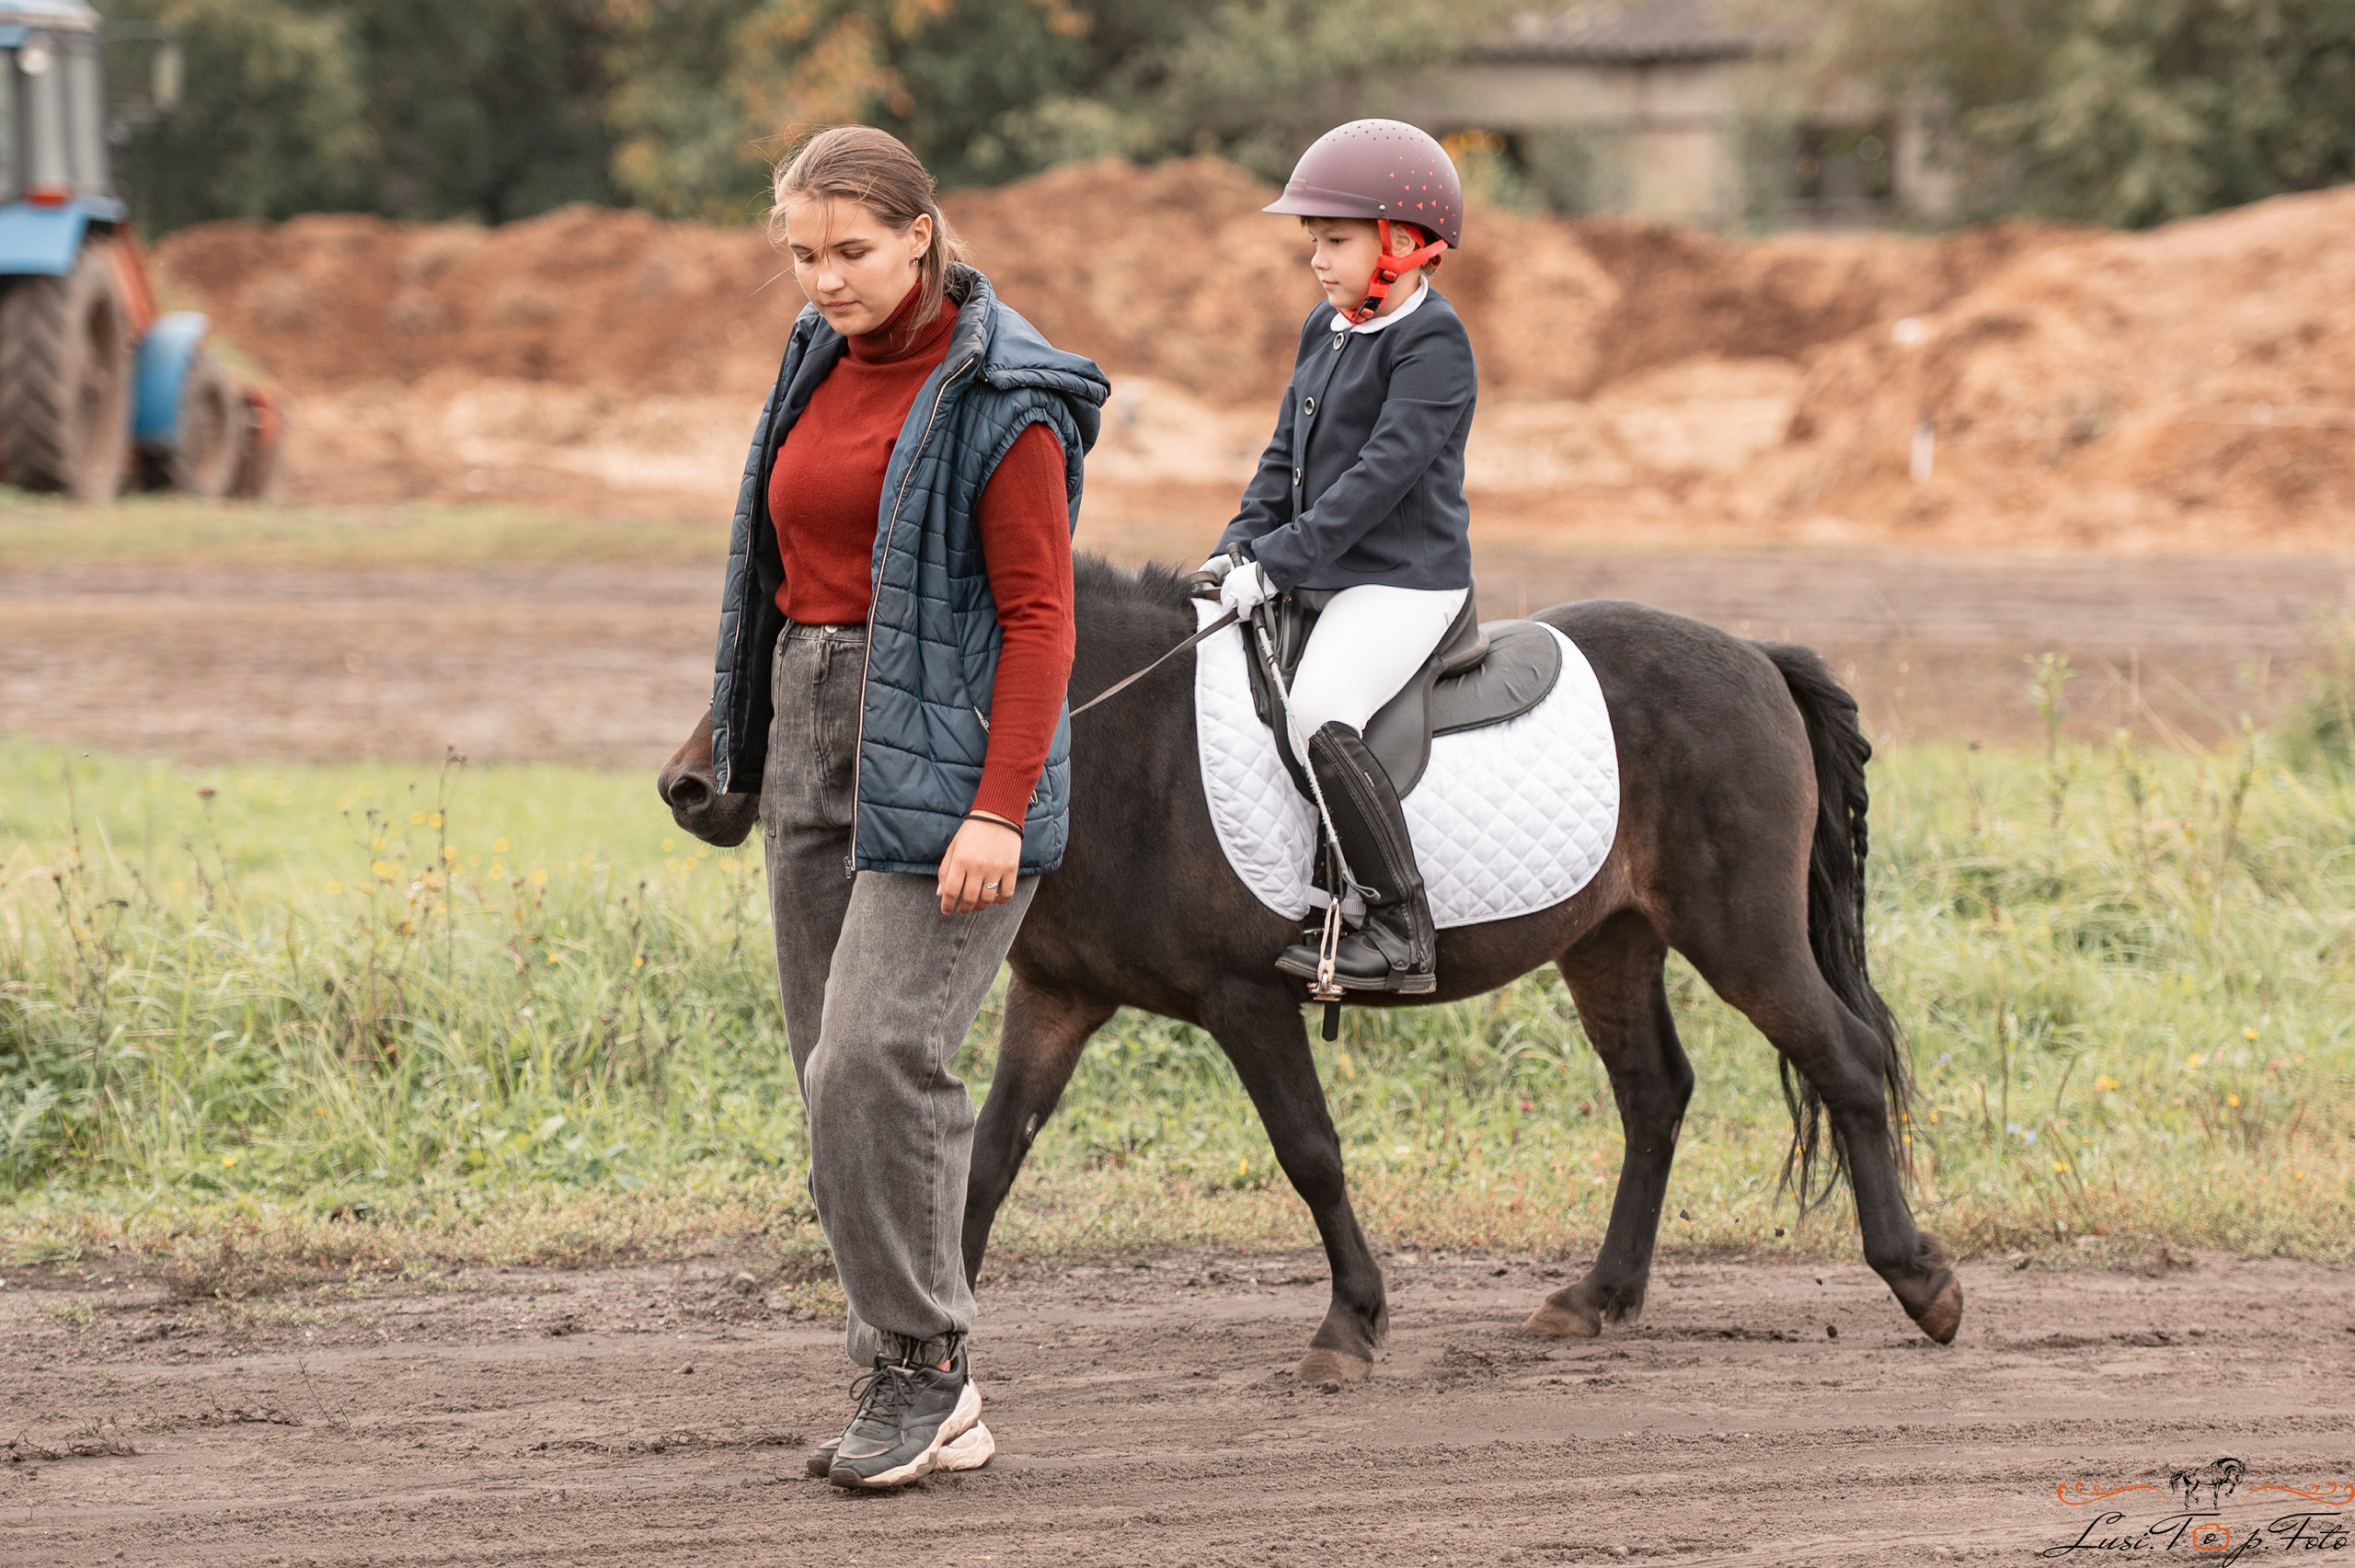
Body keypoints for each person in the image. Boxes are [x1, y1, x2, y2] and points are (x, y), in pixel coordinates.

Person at [700, 126, 1107, 1490]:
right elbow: (783, 558)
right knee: (835, 1085)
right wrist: (736, 718)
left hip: (948, 750)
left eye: (853, 251)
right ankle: (922, 1374)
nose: (824, 279)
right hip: (813, 726)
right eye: (803, 254)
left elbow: (1043, 621)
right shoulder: (816, 359)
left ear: (922, 232)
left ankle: (922, 1369)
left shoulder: (1008, 396)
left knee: (878, 1056)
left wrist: (998, 811)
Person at [1205, 119, 1473, 996]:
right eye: (1313, 241)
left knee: (1316, 710)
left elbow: (1374, 483)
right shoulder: (1327, 328)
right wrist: (1235, 548)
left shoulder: (1434, 344)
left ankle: (1399, 925)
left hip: (1403, 581)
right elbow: (1284, 460)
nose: (1317, 258)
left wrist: (1275, 565)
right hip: (1321, 568)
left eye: (1335, 240)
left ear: (1401, 243)